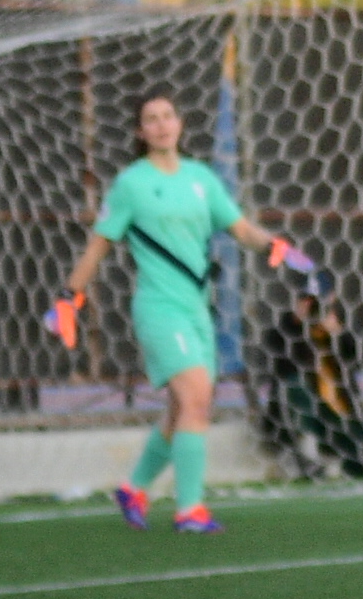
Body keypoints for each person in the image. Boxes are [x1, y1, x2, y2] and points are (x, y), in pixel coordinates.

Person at [48, 92, 315, 533]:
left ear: (180, 123)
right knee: (195, 399)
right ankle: (190, 509)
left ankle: (133, 488)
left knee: (181, 408)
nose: (161, 125)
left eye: (168, 116)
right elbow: (99, 244)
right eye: (151, 119)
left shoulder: (201, 178)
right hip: (159, 308)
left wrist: (279, 249)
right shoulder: (132, 184)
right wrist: (68, 296)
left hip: (197, 310)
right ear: (140, 132)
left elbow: (241, 229)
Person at [259, 281, 363, 484]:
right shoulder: (286, 330)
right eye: (307, 301)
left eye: (318, 301)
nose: (313, 307)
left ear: (331, 299)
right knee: (294, 386)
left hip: (340, 417)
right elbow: (275, 362)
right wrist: (296, 323)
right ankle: (305, 452)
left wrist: (338, 332)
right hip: (309, 416)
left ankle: (355, 463)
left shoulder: (341, 324)